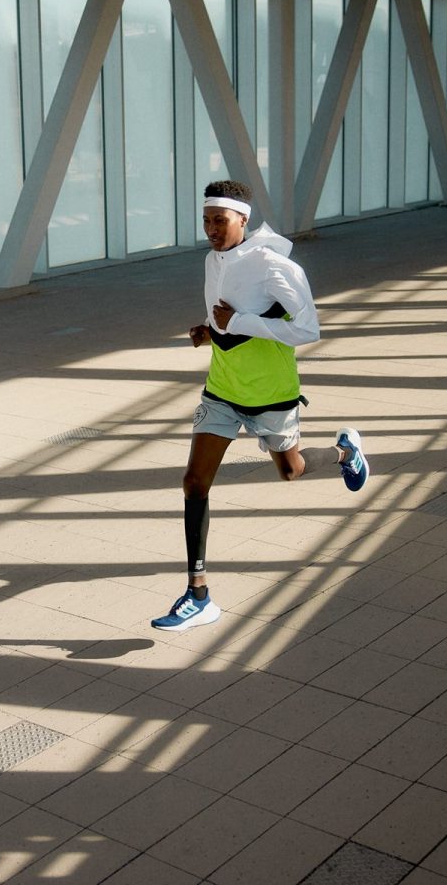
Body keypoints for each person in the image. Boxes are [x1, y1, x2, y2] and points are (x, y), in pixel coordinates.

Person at [152, 180, 370, 631]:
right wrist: (210, 330)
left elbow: (308, 329)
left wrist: (241, 322)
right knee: (195, 482)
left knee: (290, 471)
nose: (211, 229)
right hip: (222, 389)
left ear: (243, 219)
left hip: (271, 393)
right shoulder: (212, 260)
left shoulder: (275, 265)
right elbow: (228, 314)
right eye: (206, 220)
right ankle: (199, 594)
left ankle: (346, 452)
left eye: (220, 220)